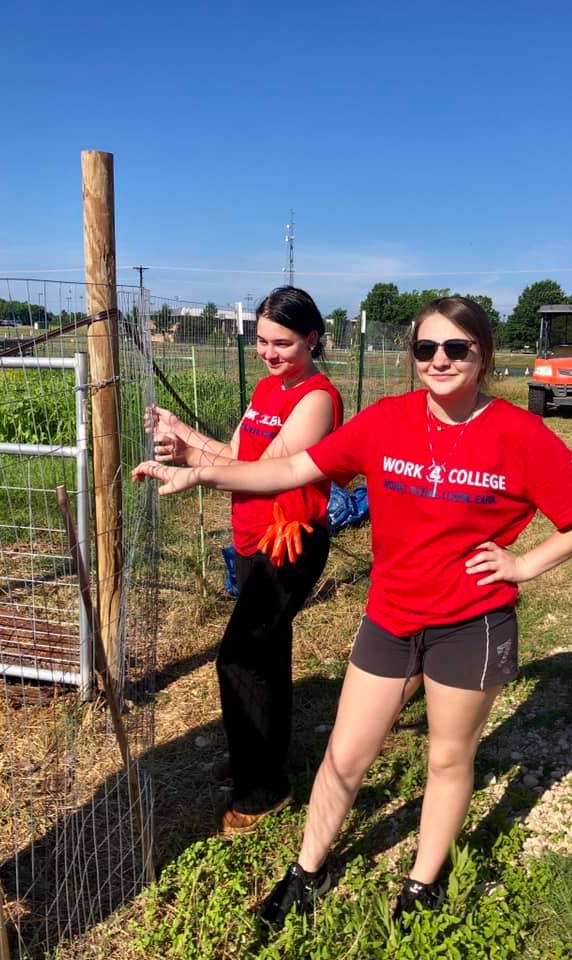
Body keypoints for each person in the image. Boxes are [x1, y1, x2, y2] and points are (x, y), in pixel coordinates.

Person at [134, 296, 572, 925]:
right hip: (390, 616)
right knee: (344, 753)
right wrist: (200, 473)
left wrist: (524, 565)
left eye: (456, 349)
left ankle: (422, 880)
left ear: (483, 354)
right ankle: (308, 869)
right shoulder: (385, 421)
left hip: (471, 623)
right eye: (425, 349)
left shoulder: (518, 432)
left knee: (447, 757)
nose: (438, 361)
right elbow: (289, 469)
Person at [145, 286, 343, 836]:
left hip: (291, 541)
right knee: (267, 652)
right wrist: (182, 436)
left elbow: (269, 469)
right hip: (254, 538)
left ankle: (264, 790)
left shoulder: (317, 399)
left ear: (312, 339)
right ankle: (258, 755)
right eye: (261, 341)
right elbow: (236, 455)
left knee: (239, 655)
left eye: (282, 342)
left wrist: (195, 463)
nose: (269, 353)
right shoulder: (265, 389)